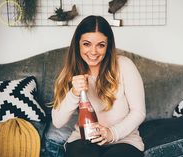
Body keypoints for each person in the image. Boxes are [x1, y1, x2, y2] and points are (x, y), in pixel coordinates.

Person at [52, 15, 146, 157]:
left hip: (124, 140)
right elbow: (58, 122)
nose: (93, 52)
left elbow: (139, 112)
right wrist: (74, 93)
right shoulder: (71, 73)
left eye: (100, 45)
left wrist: (111, 133)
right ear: (78, 44)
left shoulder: (124, 65)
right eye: (87, 44)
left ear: (108, 46)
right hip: (84, 139)